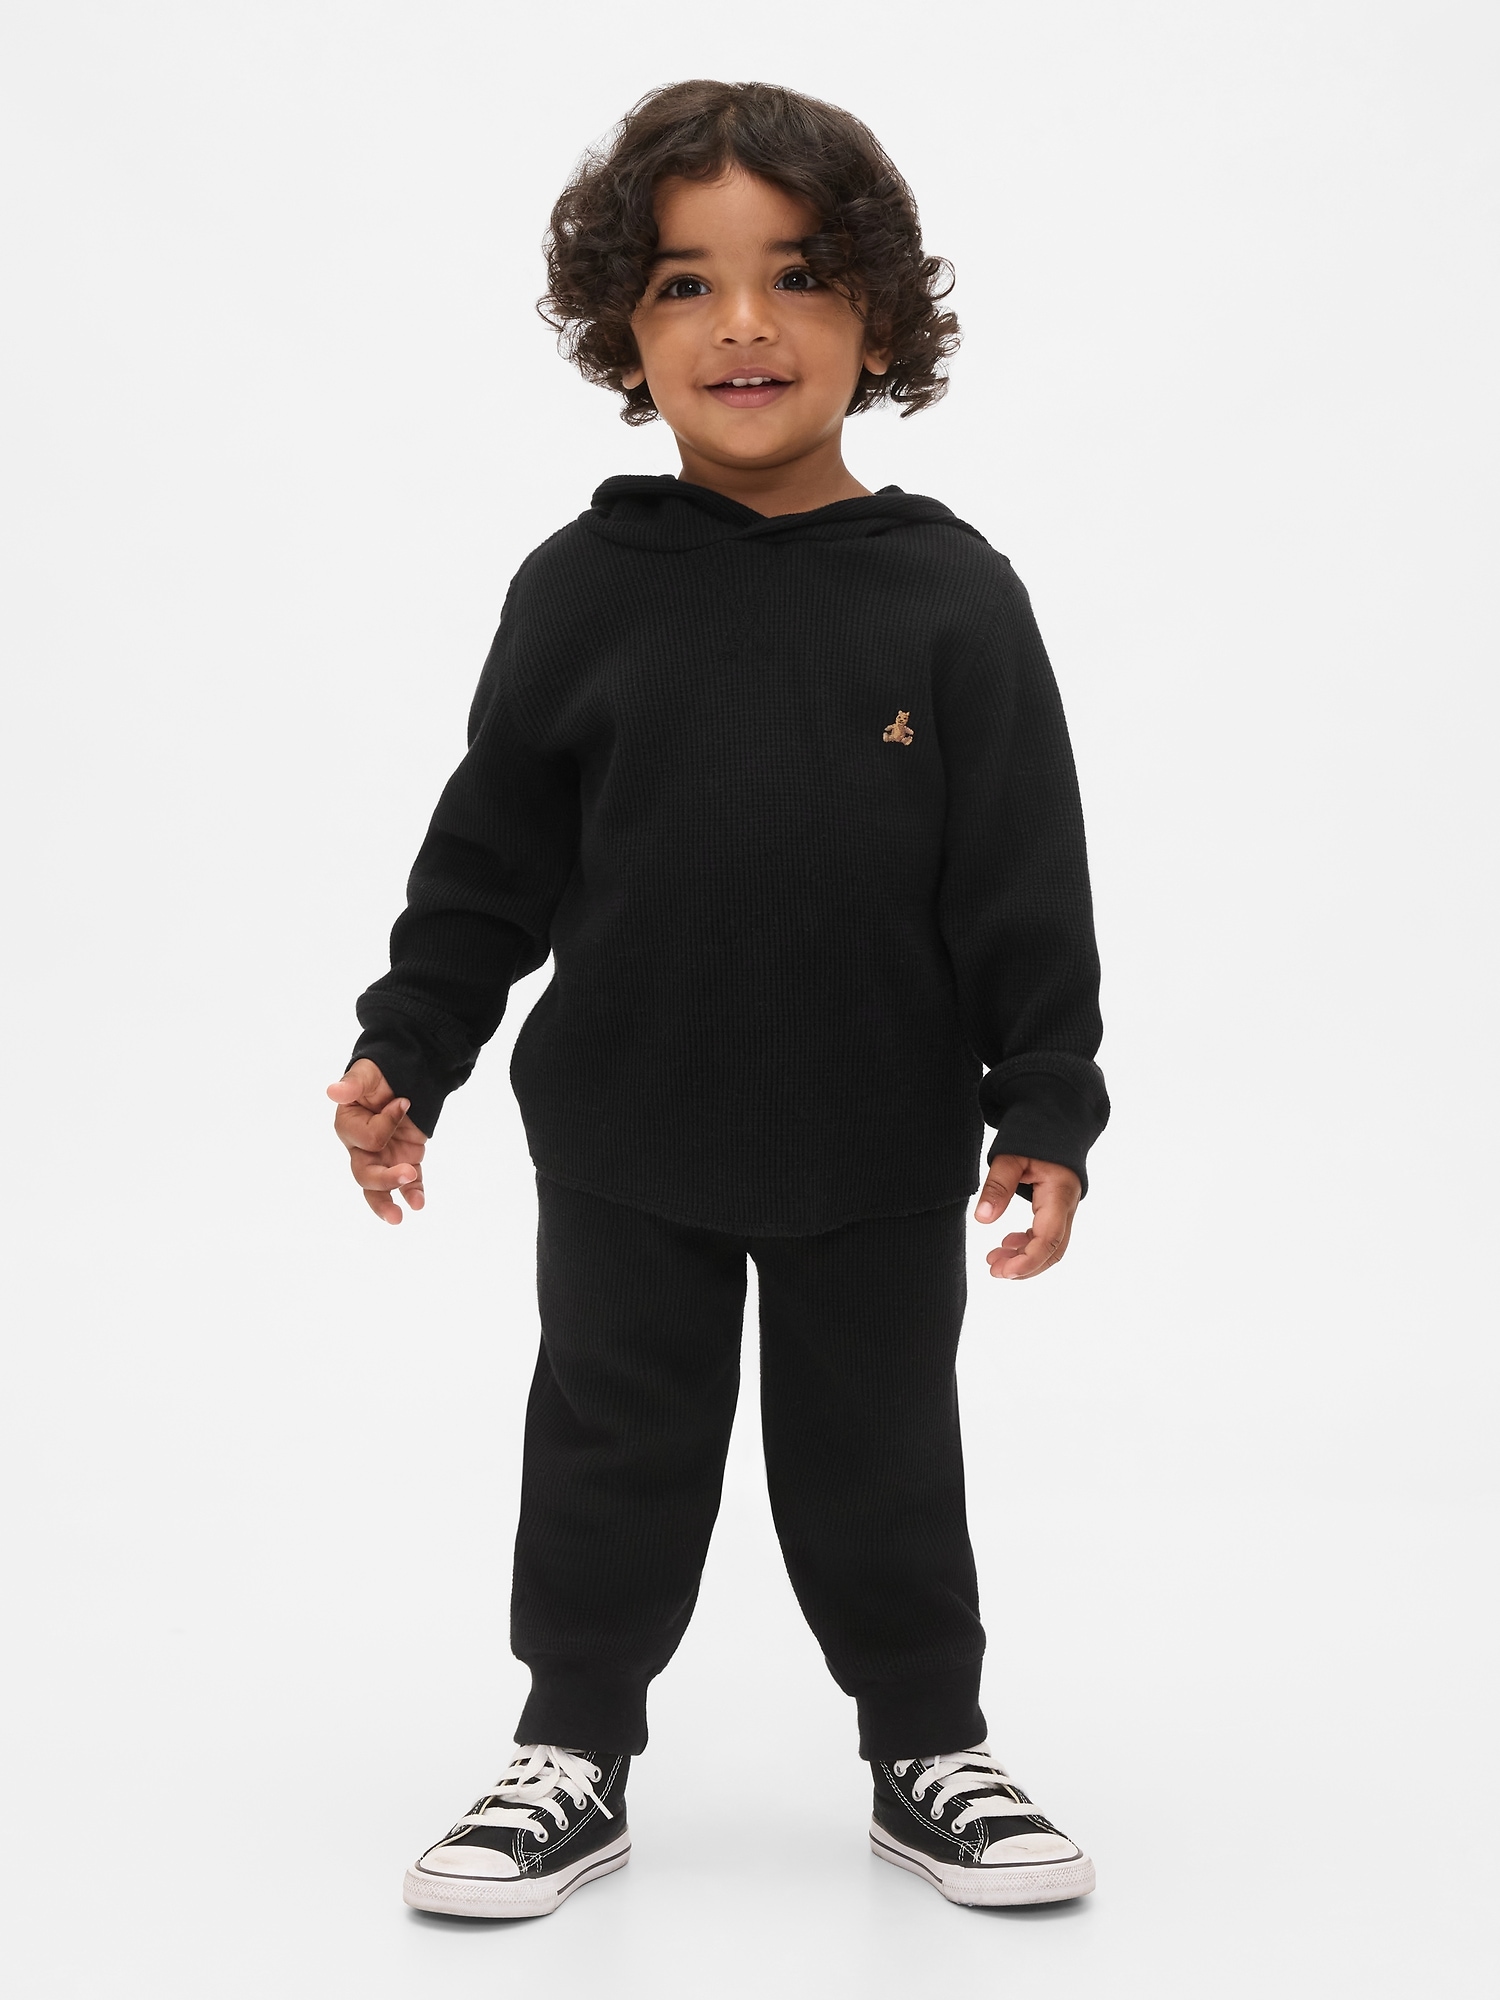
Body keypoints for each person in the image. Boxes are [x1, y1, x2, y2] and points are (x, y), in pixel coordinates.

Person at [329, 78, 1109, 1919]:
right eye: (687, 283)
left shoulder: (952, 599)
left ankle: (928, 1742)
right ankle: (571, 1746)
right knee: (612, 1440)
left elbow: (1024, 879)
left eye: (799, 275)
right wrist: (407, 1049)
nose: (744, 323)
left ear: (881, 321)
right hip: (627, 1130)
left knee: (880, 1455)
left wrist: (1047, 1105)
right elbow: (489, 861)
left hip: (877, 1138)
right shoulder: (581, 592)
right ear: (625, 332)